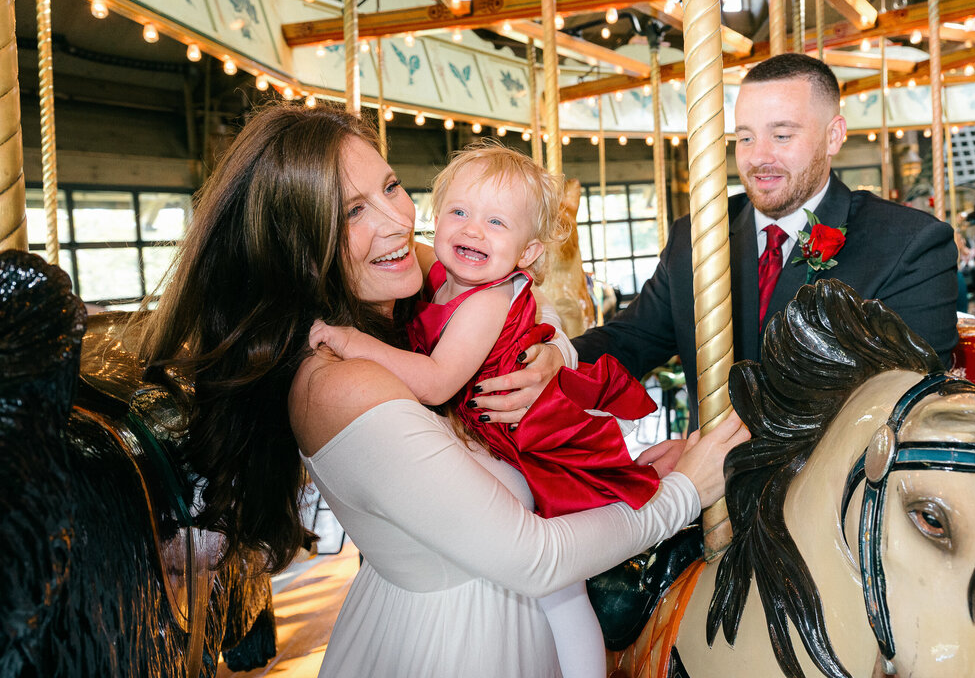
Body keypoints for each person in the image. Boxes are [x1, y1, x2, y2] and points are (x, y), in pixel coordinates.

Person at [139, 104, 748, 678]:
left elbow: (516, 301)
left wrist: (550, 357)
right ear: (299, 246)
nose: (397, 220)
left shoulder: (404, 280)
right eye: (352, 211)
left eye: (392, 185)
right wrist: (682, 492)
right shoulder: (338, 380)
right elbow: (533, 557)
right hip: (457, 644)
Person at [309, 143, 680, 678]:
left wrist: (353, 342)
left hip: (533, 441)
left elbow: (436, 382)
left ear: (527, 254)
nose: (472, 231)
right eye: (459, 212)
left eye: (496, 222)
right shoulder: (437, 276)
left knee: (562, 590)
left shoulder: (484, 299)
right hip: (492, 434)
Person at [475, 53, 959, 426]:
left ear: (833, 136)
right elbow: (636, 336)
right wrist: (558, 357)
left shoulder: (908, 244)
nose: (758, 157)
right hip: (712, 484)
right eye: (745, 138)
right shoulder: (697, 235)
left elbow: (909, 400)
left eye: (782, 136)